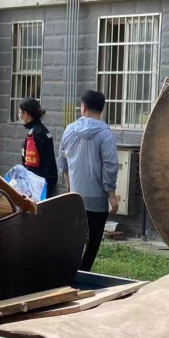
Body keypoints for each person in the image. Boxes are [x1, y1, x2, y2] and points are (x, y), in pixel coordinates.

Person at [57, 89, 119, 271]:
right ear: (102, 109)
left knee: (74, 239)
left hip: (75, 198)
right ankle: (84, 273)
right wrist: (112, 196)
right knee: (92, 244)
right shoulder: (105, 133)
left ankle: (69, 273)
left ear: (83, 107)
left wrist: (69, 186)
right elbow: (110, 165)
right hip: (97, 200)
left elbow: (62, 161)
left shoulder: (69, 130)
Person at [19, 98, 58, 199]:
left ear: (25, 114)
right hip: (48, 182)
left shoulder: (34, 134)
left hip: (38, 187)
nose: (19, 115)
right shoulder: (43, 130)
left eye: (20, 112)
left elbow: (31, 167)